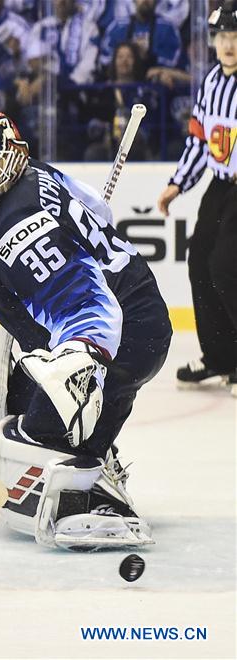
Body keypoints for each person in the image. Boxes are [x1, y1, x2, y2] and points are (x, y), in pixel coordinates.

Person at [0, 108, 172, 550]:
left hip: (121, 332)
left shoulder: (16, 227)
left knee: (35, 434)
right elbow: (99, 210)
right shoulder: (38, 175)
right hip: (142, 312)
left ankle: (93, 492)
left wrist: (82, 357)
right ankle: (95, 450)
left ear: (12, 157)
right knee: (23, 393)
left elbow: (89, 304)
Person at [157, 2, 237, 397]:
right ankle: (220, 357)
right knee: (199, 260)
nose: (229, 44)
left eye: (235, 37)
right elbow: (199, 140)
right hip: (221, 186)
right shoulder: (210, 84)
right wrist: (178, 184)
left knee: (226, 266)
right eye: (223, 37)